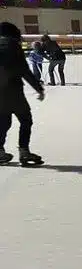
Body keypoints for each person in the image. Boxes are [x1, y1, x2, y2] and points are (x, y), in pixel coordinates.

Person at [0, 22, 45, 166]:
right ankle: (24, 151)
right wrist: (38, 89)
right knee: (26, 120)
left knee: (3, 122)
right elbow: (24, 70)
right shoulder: (13, 45)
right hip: (13, 91)